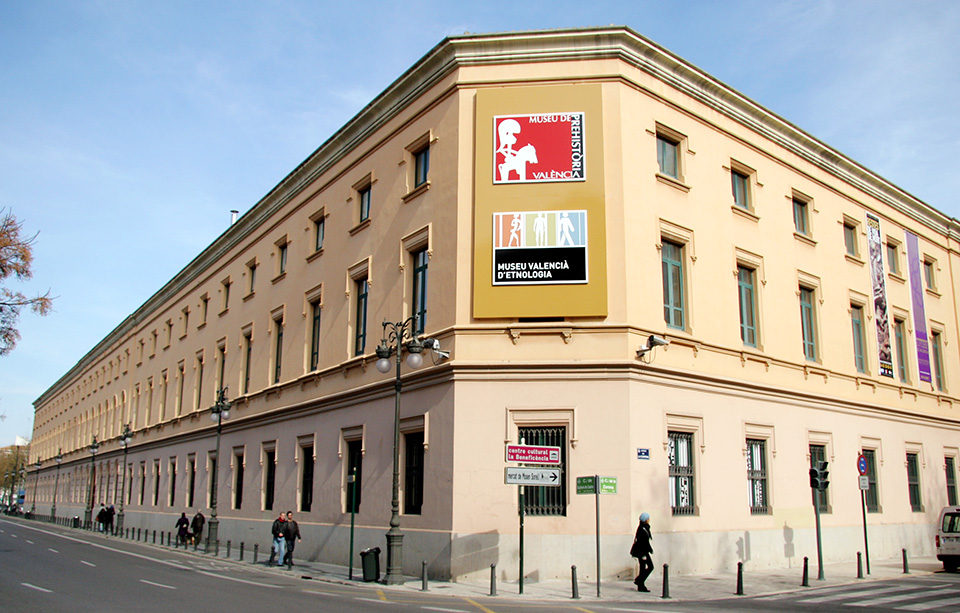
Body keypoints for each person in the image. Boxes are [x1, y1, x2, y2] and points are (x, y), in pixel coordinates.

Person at [630, 512, 654, 592]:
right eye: (648, 518)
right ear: (645, 520)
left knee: (643, 568)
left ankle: (640, 585)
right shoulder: (642, 529)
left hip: (644, 551)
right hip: (642, 552)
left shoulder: (644, 527)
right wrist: (644, 554)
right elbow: (642, 542)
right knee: (650, 567)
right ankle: (639, 581)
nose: (649, 520)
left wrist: (650, 549)